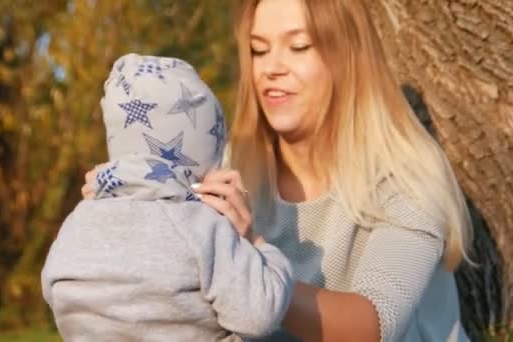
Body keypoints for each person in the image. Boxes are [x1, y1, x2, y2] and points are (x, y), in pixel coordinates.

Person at [81, 1, 473, 341]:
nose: (272, 68)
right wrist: (123, 212)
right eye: (258, 50)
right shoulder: (231, 164)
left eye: (299, 47)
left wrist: (249, 257)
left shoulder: (408, 173)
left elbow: (373, 329)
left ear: (349, 56)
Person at [42, 53, 294, 341]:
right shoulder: (201, 225)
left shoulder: (77, 221)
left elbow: (54, 289)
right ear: (204, 162)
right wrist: (257, 245)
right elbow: (259, 314)